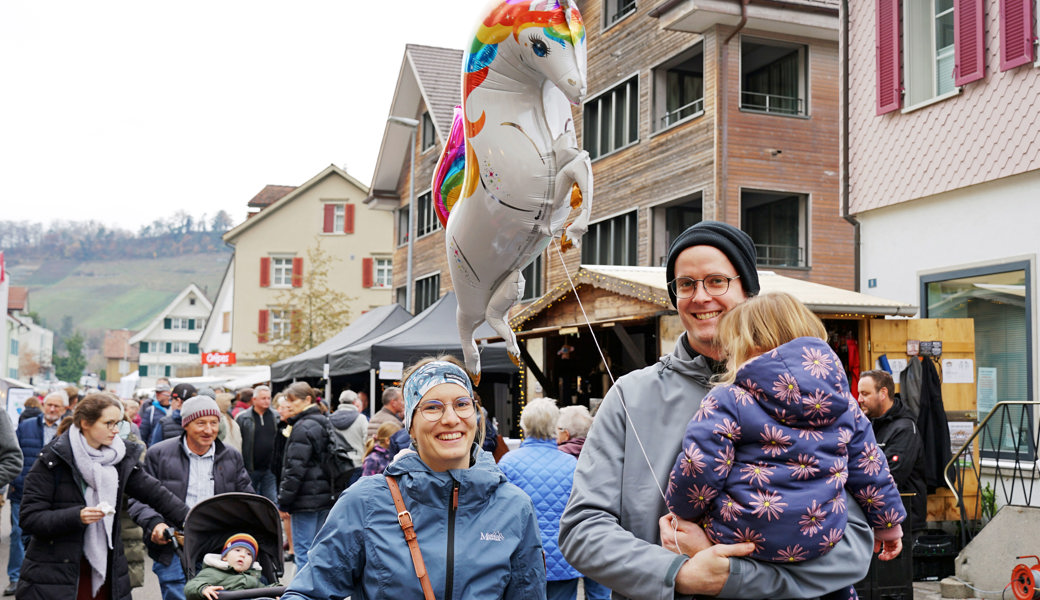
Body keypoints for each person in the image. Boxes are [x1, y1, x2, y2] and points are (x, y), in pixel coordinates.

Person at [560, 221, 875, 600]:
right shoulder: (631, 395)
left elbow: (854, 547)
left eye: (716, 281)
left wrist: (731, 576)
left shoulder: (814, 395)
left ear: (748, 290)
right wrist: (679, 575)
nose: (700, 297)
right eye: (686, 284)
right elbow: (583, 529)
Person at [665, 292, 905, 569]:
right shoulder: (844, 402)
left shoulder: (728, 398)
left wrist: (681, 512)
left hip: (740, 536)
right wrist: (888, 524)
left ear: (748, 346)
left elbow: (701, 464)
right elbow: (870, 465)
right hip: (821, 537)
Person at [280, 356, 545, 599]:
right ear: (411, 425)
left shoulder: (513, 506)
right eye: (433, 407)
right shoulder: (366, 501)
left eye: (462, 404)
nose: (451, 418)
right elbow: (308, 592)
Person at [17, 392, 188, 600]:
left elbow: (158, 495)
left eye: (118, 423)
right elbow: (29, 518)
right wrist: (76, 516)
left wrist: (195, 522)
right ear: (85, 423)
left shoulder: (121, 457)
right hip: (55, 574)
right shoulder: (52, 459)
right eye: (108, 423)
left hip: (108, 572)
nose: (116, 430)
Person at [129, 395, 254, 600]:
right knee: (176, 592)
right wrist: (155, 524)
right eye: (201, 423)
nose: (208, 430)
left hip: (217, 545)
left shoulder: (231, 456)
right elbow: (138, 499)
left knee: (216, 594)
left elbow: (246, 498)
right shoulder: (159, 454)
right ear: (186, 424)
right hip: (173, 543)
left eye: (214, 423)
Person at [498, 398, 581, 600]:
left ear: (524, 424)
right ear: (555, 425)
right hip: (564, 556)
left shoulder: (508, 463)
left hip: (521, 557)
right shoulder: (572, 464)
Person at [7, 390, 68, 596]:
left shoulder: (68, 430)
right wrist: (15, 481)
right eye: (48, 405)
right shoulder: (26, 426)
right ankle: (15, 577)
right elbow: (13, 455)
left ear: (64, 409)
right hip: (22, 490)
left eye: (56, 406)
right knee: (18, 533)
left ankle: (38, 578)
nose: (51, 409)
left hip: (53, 494)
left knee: (44, 535)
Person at [858, 369, 927, 531]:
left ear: (883, 393)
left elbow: (889, 476)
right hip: (879, 517)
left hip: (903, 522)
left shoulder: (905, 429)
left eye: (865, 394)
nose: (859, 399)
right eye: (859, 394)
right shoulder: (870, 424)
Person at [554, 405, 611, 600]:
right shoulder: (604, 454)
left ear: (566, 433)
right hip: (603, 536)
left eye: (558, 429)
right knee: (600, 594)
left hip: (572, 538)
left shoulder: (560, 457)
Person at [277, 382, 334, 572]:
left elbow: (295, 468)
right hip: (324, 495)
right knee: (317, 551)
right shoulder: (323, 420)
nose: (290, 405)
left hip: (305, 497)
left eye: (293, 401)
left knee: (303, 553)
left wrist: (284, 501)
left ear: (307, 400)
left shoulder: (302, 427)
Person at [184, 534, 264, 600]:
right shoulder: (212, 572)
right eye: (237, 550)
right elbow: (191, 586)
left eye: (248, 554)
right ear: (224, 557)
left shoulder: (254, 578)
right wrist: (204, 589)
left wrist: (275, 589)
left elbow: (265, 589)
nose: (242, 555)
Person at [235, 385, 278, 504]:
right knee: (250, 501)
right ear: (254, 400)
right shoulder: (243, 418)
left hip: (270, 468)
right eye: (263, 398)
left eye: (268, 398)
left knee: (271, 500)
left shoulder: (276, 416)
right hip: (250, 468)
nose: (267, 401)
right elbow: (239, 442)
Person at [329, 389, 368, 483]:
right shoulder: (361, 419)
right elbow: (367, 441)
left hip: (337, 465)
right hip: (357, 464)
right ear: (355, 402)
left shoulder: (330, 418)